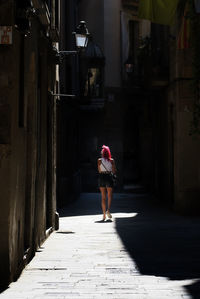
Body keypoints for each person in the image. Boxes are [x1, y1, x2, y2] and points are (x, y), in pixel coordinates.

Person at [97, 145, 117, 221]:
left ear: (102, 153)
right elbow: (114, 171)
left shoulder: (99, 160)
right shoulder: (112, 160)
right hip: (109, 177)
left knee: (103, 197)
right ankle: (108, 210)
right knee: (110, 196)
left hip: (102, 177)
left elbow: (99, 171)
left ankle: (104, 215)